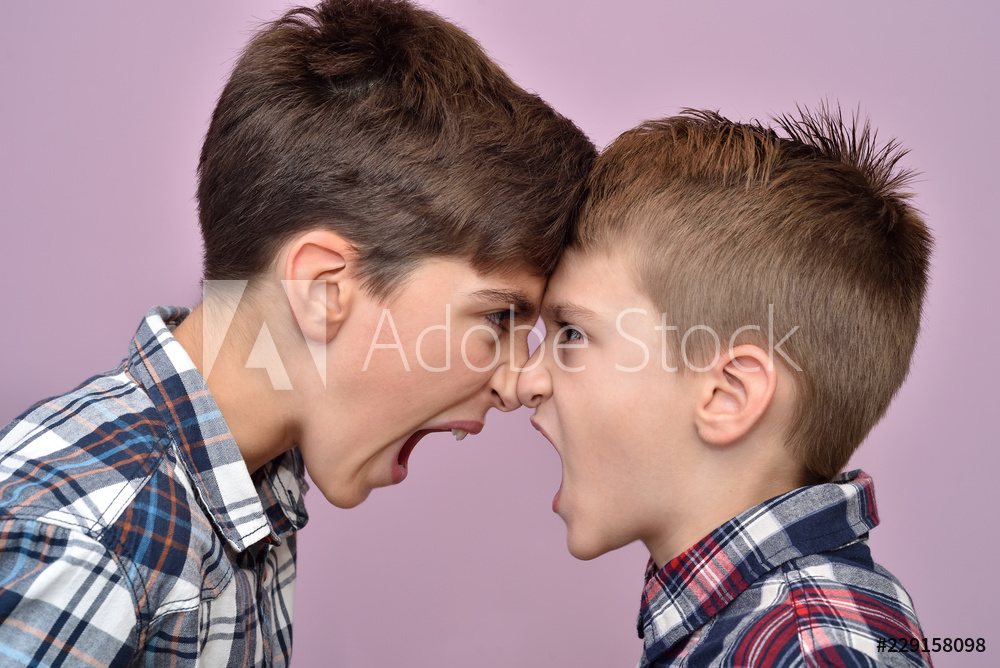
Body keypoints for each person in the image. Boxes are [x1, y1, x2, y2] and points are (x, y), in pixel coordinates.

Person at [0, 1, 594, 665]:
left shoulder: (254, 481)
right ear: (323, 290)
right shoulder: (92, 542)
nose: (519, 382)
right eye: (498, 318)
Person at [517, 106, 933, 666]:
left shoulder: (809, 649)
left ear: (727, 395)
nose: (525, 380)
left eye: (571, 332)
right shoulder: (769, 629)